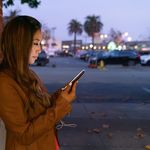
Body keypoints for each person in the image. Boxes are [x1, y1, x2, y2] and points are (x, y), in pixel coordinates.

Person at [0, 15, 77, 150]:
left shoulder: (28, 73)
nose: (40, 49)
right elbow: (24, 134)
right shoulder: (4, 83)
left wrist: (61, 96)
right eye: (36, 43)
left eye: (40, 43)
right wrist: (61, 104)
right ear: (20, 43)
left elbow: (41, 107)